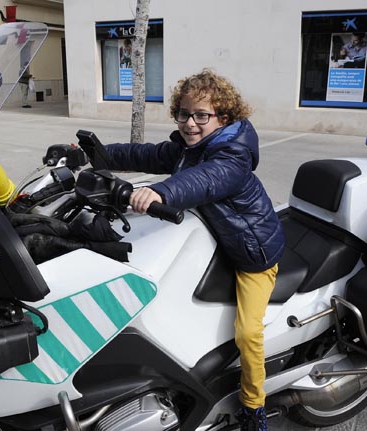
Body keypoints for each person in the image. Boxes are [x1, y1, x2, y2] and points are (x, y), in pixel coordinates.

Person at [104, 69, 284, 431]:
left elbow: (205, 180)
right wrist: (95, 153)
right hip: (220, 241)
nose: (190, 123)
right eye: (184, 114)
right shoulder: (189, 149)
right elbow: (147, 155)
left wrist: (162, 192)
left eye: (202, 116)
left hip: (253, 255)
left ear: (225, 118)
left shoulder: (233, 156)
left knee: (248, 333)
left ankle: (253, 408)